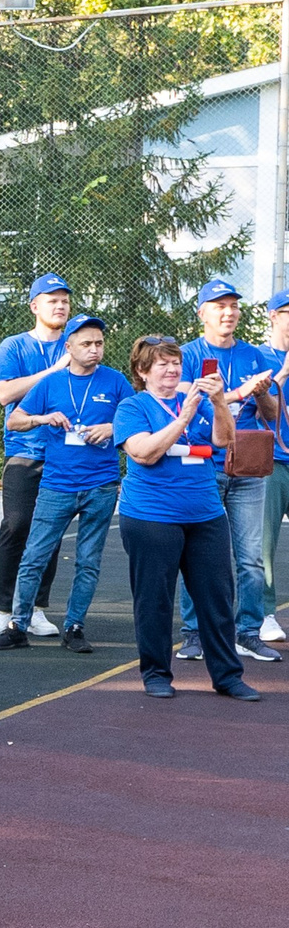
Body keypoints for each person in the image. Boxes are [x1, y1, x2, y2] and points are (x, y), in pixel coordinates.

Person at [114, 335, 259, 702]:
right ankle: (156, 674)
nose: (172, 369)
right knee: (154, 599)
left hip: (205, 513)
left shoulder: (198, 401)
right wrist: (182, 420)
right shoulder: (133, 407)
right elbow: (144, 453)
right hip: (151, 516)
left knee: (217, 598)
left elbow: (225, 440)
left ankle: (227, 676)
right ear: (142, 371)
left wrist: (217, 401)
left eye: (175, 362)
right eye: (162, 363)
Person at [0, 314, 126, 653]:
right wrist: (42, 418)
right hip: (57, 484)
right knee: (35, 554)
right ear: (69, 347)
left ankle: (74, 625)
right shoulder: (51, 383)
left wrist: (111, 428)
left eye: (99, 343)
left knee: (88, 560)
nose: (94, 350)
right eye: (86, 344)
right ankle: (17, 624)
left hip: (101, 485)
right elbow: (17, 419)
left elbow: (136, 419)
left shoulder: (116, 381)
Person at [178, 278, 282, 663]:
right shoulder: (187, 354)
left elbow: (271, 415)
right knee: (199, 552)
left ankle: (249, 632)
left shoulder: (255, 355)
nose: (228, 312)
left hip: (248, 468)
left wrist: (261, 393)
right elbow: (187, 404)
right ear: (202, 312)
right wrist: (237, 393)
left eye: (234, 306)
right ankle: (194, 632)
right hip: (205, 464)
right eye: (219, 306)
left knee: (252, 556)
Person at [0, 274, 73, 638]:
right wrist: (53, 371)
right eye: (52, 299)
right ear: (35, 306)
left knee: (49, 531)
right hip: (23, 451)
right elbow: (5, 394)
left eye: (65, 299)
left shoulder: (77, 344)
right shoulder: (14, 346)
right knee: (17, 525)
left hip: (63, 454)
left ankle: (35, 608)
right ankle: (1, 609)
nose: (60, 305)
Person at [265, 289, 289, 644]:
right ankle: (264, 614)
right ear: (272, 316)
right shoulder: (258, 358)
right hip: (271, 461)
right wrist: (283, 373)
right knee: (263, 545)